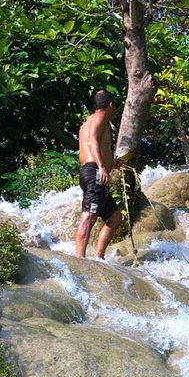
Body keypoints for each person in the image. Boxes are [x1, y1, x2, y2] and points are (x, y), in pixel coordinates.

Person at [75, 90, 123, 259]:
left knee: (115, 217)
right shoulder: (100, 118)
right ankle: (79, 259)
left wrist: (110, 164)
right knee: (89, 216)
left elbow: (92, 146)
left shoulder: (88, 122)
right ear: (111, 105)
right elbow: (92, 141)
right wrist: (102, 167)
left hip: (91, 171)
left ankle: (99, 258)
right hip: (94, 171)